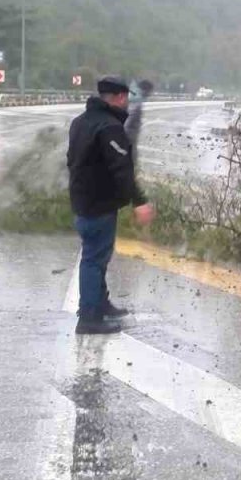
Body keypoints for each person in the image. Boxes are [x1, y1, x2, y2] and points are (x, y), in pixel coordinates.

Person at [67, 75, 157, 335]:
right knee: (94, 259)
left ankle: (101, 304)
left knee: (98, 256)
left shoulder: (80, 123)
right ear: (118, 97)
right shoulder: (109, 127)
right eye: (126, 98)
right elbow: (121, 170)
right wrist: (139, 202)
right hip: (98, 204)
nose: (128, 103)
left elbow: (72, 160)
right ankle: (89, 318)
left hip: (84, 200)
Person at [124, 79, 155, 148]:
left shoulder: (132, 97)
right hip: (128, 139)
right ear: (145, 90)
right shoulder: (136, 103)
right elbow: (127, 122)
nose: (150, 94)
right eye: (150, 92)